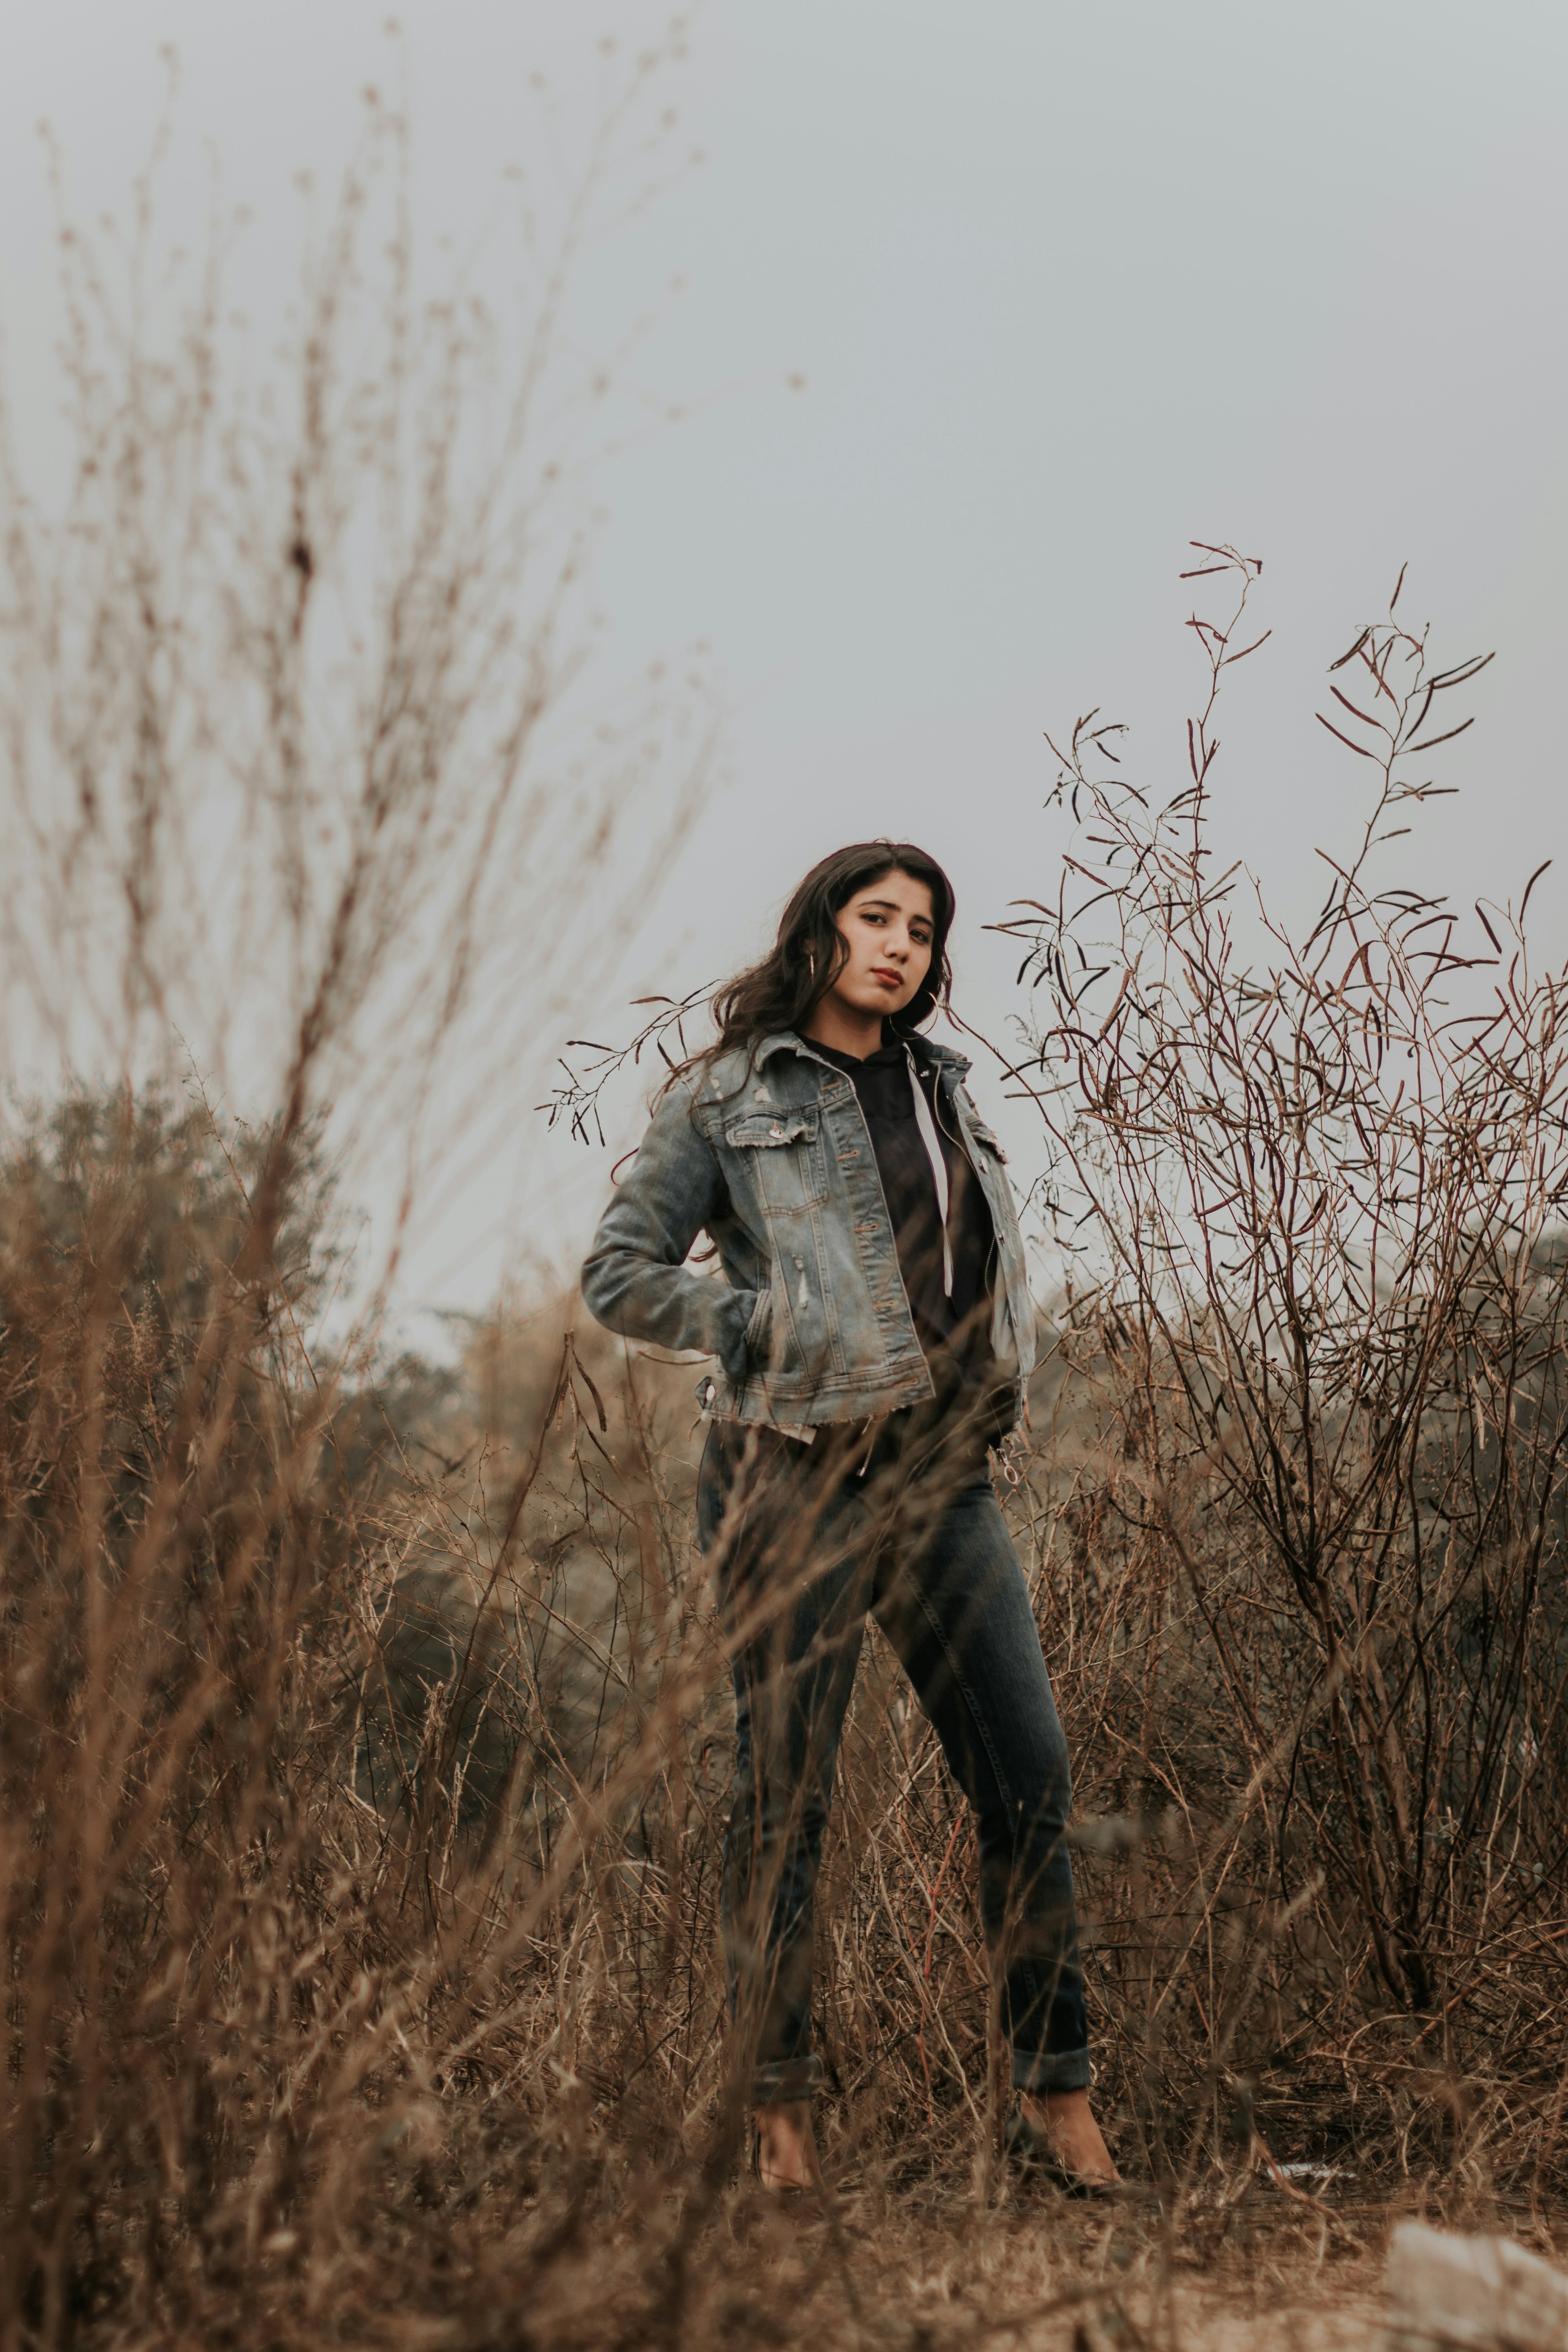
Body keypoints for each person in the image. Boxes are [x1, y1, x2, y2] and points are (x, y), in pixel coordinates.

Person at [580, 841, 1117, 2195]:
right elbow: (620, 1275)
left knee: (1031, 1776)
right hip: (793, 1480)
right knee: (785, 1803)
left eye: (924, 930)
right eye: (876, 918)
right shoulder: (725, 1095)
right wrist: (765, 1322)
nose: (901, 946)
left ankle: (1056, 2102)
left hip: (944, 1481)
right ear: (818, 929)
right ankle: (781, 2125)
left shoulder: (948, 1092)